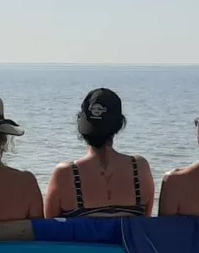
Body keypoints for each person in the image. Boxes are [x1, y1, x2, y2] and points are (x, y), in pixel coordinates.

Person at [44, 88, 155, 218]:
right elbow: (146, 222)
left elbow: (50, 229)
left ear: (81, 124)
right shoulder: (139, 167)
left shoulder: (65, 173)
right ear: (119, 125)